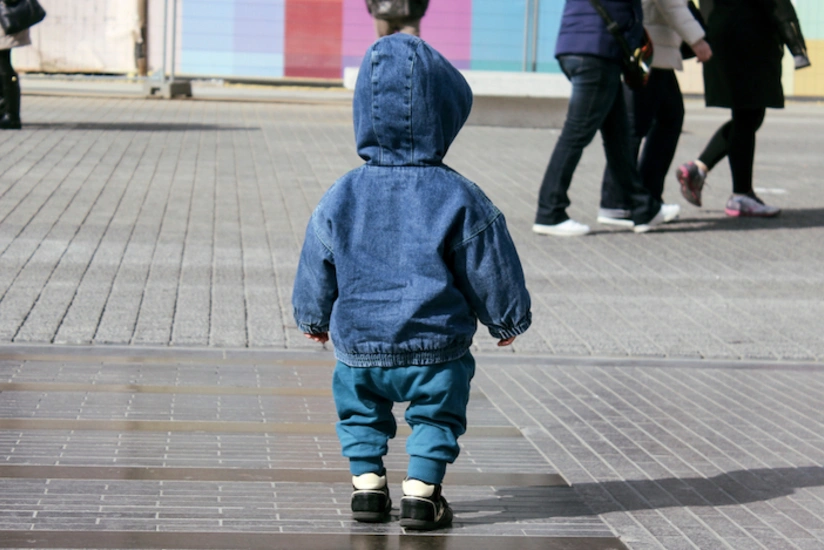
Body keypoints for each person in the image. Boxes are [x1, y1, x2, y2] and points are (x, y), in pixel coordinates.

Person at [292, 34, 532, 531]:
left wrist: (314, 317)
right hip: (436, 346)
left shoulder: (343, 193)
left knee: (359, 414)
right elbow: (487, 260)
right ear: (444, 115)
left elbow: (318, 256)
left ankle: (367, 487)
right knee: (437, 417)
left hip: (360, 345)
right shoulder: (459, 195)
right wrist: (506, 318)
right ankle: (422, 493)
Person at [533, 0, 680, 237]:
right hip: (597, 51)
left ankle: (643, 208)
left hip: (577, 46)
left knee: (618, 135)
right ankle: (549, 212)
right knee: (576, 134)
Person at [675, 0, 810, 217]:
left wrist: (698, 34)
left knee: (746, 116)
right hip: (750, 39)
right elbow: (777, 3)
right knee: (749, 114)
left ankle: (699, 168)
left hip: (718, 36)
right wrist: (796, 46)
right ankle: (741, 194)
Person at [598, 0, 712, 227]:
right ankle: (619, 202)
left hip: (656, 48)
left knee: (667, 118)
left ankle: (644, 198)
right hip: (649, 48)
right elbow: (670, 3)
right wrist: (697, 39)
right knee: (634, 126)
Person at [0, 25, 31, 129]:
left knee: (3, 64)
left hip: (3, 25)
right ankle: (7, 113)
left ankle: (11, 115)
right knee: (3, 64)